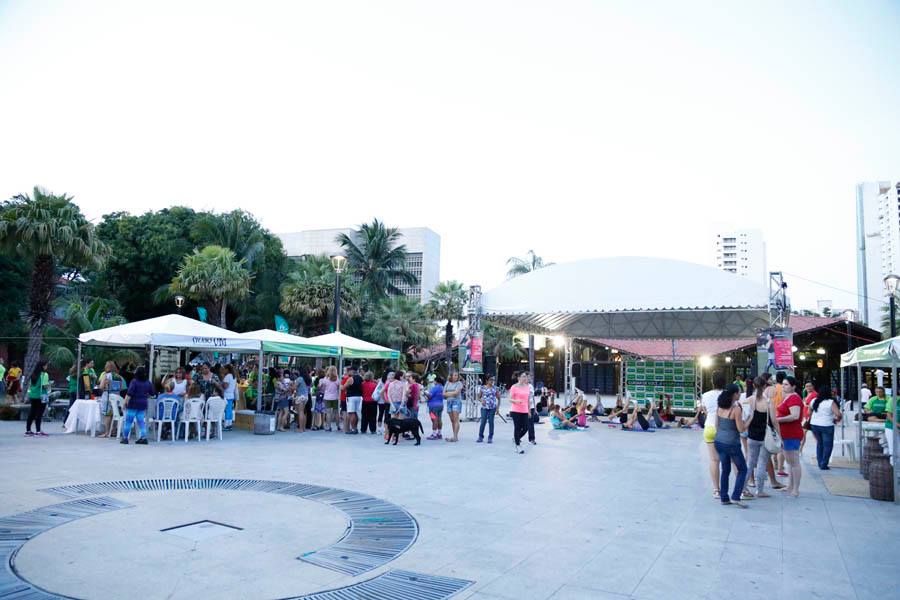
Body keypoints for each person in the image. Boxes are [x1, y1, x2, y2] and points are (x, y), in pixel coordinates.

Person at [714, 384, 752, 507]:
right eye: (739, 392)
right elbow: (741, 429)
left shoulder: (719, 407)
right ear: (734, 394)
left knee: (725, 469)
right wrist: (749, 419)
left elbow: (716, 425)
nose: (740, 394)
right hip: (732, 443)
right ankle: (736, 496)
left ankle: (724, 497)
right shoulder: (736, 409)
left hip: (719, 441)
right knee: (742, 469)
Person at [745, 375, 780, 498]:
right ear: (765, 386)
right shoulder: (769, 402)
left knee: (750, 462)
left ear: (754, 386)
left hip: (751, 435)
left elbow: (744, 414)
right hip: (765, 437)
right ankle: (759, 491)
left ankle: (743, 488)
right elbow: (774, 421)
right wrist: (780, 435)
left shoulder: (750, 400)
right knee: (762, 463)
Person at [776, 376, 804, 497]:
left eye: (786, 384)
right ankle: (790, 485)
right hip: (786, 434)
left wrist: (778, 420)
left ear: (793, 386)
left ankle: (796, 489)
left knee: (794, 462)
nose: (783, 386)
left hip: (792, 434)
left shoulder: (794, 398)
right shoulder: (788, 397)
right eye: (783, 384)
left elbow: (795, 416)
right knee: (789, 462)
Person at [701, 371, 726, 498]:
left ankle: (716, 489)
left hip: (709, 427)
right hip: (725, 429)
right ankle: (741, 489)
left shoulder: (705, 395)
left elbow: (704, 410)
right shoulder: (728, 395)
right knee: (731, 460)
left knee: (714, 460)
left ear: (712, 381)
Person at [809, 384, 842, 470]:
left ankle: (820, 462)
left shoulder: (814, 401)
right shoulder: (830, 402)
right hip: (827, 425)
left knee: (820, 444)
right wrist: (837, 420)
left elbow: (809, 412)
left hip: (814, 424)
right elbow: (838, 414)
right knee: (828, 445)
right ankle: (823, 464)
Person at [120, 366, 153, 445]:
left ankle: (125, 438)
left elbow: (129, 394)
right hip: (142, 404)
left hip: (133, 404)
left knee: (128, 421)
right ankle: (144, 438)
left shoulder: (134, 382)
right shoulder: (148, 382)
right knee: (141, 422)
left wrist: (124, 403)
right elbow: (152, 393)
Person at [98, 361, 127, 439]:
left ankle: (107, 432)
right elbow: (121, 388)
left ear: (107, 367)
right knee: (115, 414)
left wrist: (105, 386)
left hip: (107, 397)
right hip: (116, 397)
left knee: (108, 415)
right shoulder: (119, 376)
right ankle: (113, 431)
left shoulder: (106, 376)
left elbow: (101, 387)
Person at [25, 361, 50, 437]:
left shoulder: (33, 374)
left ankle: (28, 430)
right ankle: (38, 431)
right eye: (46, 365)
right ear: (42, 366)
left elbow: (30, 385)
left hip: (33, 395)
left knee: (32, 412)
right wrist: (49, 384)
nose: (46, 367)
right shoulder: (44, 374)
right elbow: (45, 386)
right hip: (42, 396)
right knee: (39, 413)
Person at [509, 372, 531, 453]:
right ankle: (518, 445)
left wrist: (529, 410)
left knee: (526, 427)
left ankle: (516, 438)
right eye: (523, 376)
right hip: (515, 410)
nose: (525, 378)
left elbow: (528, 400)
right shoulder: (514, 387)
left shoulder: (527, 387)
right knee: (517, 428)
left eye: (526, 376)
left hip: (524, 410)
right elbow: (510, 399)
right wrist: (516, 401)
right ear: (519, 378)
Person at [477, 375, 498, 443]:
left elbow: (499, 398)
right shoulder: (482, 388)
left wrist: (498, 408)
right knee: (483, 422)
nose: (492, 381)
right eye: (490, 380)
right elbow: (478, 397)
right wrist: (481, 401)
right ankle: (480, 436)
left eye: (493, 380)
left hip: (492, 407)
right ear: (487, 381)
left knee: (491, 422)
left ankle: (490, 437)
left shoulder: (495, 388)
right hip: (484, 407)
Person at [343, 366, 363, 435]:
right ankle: (355, 428)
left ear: (351, 371)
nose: (347, 372)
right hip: (359, 397)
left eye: (348, 371)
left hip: (351, 397)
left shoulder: (350, 379)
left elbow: (343, 387)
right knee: (356, 412)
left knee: (352, 413)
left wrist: (340, 385)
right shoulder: (361, 378)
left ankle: (353, 429)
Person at [443, 371, 463, 443]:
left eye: (457, 376)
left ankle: (455, 436)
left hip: (456, 401)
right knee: (452, 420)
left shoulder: (459, 383)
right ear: (451, 376)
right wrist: (451, 393)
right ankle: (454, 435)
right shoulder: (447, 383)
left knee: (455, 419)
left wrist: (447, 394)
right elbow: (443, 393)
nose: (456, 377)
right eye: (454, 375)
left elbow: (456, 393)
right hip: (449, 402)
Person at [320, 365, 341, 432]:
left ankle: (329, 427)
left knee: (328, 413)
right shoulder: (337, 379)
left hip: (327, 397)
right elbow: (338, 388)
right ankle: (338, 426)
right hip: (335, 397)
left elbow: (323, 388)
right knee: (336, 412)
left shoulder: (325, 379)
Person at [426, 375, 444, 440]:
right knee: (439, 419)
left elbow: (430, 396)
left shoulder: (435, 388)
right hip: (440, 405)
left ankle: (434, 434)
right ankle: (439, 433)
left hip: (433, 406)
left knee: (434, 419)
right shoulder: (442, 388)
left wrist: (425, 393)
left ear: (436, 381)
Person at [294, 367, 311, 433]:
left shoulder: (300, 379)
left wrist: (291, 385)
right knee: (303, 412)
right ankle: (303, 428)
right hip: (306, 397)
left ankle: (300, 428)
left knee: (300, 412)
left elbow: (294, 387)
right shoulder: (307, 379)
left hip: (300, 396)